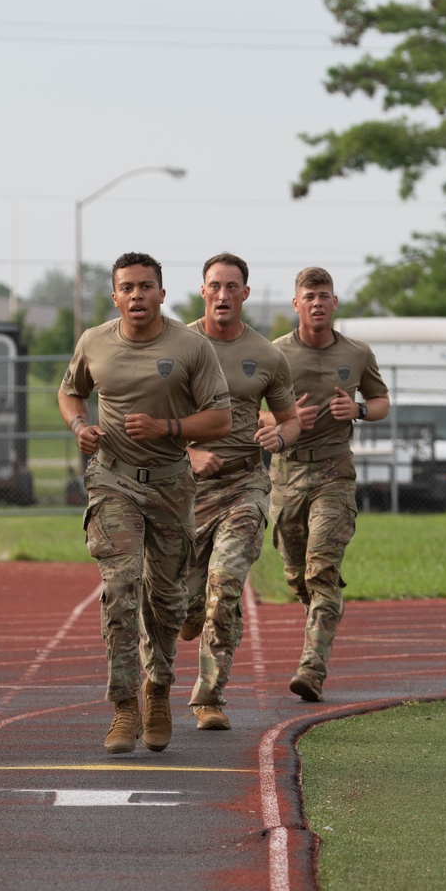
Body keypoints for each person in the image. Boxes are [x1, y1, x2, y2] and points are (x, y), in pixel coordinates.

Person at [58, 251, 231, 755]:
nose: (137, 295)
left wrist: (167, 428)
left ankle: (158, 690)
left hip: (172, 484)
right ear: (115, 296)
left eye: (146, 286)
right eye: (127, 287)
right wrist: (79, 427)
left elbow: (220, 419)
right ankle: (124, 706)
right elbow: (70, 393)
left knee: (167, 599)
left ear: (161, 292)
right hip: (112, 481)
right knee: (119, 587)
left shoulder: (191, 346)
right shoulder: (94, 342)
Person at [182, 253, 301, 729]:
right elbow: (146, 418)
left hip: (245, 485)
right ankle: (190, 611)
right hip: (184, 490)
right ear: (203, 290)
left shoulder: (268, 356)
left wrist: (280, 436)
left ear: (245, 293)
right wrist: (189, 454)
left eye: (233, 286)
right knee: (181, 601)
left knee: (225, 586)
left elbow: (290, 420)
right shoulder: (179, 345)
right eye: (215, 286)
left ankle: (209, 697)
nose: (224, 294)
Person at [264, 266, 389, 702]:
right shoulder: (274, 354)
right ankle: (322, 605)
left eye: (325, 296)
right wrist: (285, 420)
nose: (318, 303)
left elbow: (380, 401)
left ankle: (311, 669)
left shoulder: (356, 353)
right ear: (296, 304)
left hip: (335, 472)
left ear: (335, 304)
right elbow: (243, 411)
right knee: (298, 574)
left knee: (322, 568)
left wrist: (356, 412)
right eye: (309, 296)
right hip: (287, 472)